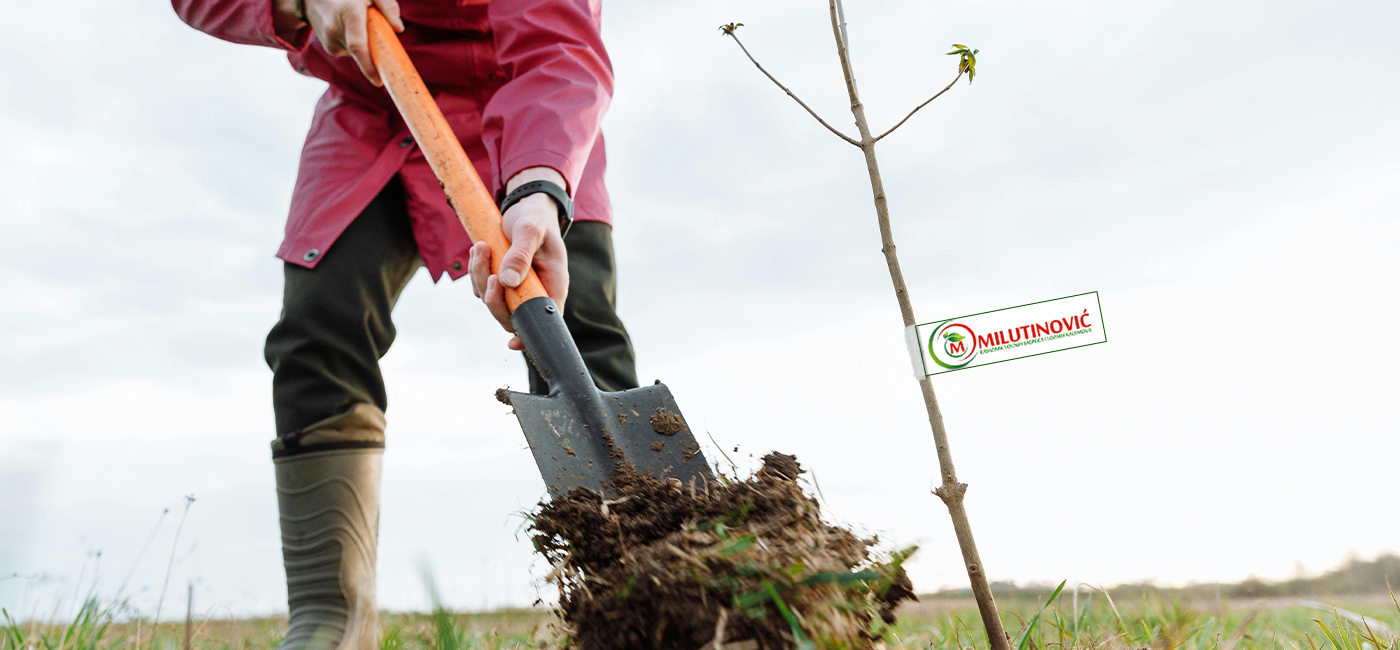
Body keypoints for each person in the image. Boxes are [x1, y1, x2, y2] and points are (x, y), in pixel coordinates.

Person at [171, 1, 635, 648]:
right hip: (371, 111)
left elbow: (557, 45)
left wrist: (540, 184)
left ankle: (637, 587)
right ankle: (332, 619)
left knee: (575, 329)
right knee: (319, 325)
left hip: (524, 112)